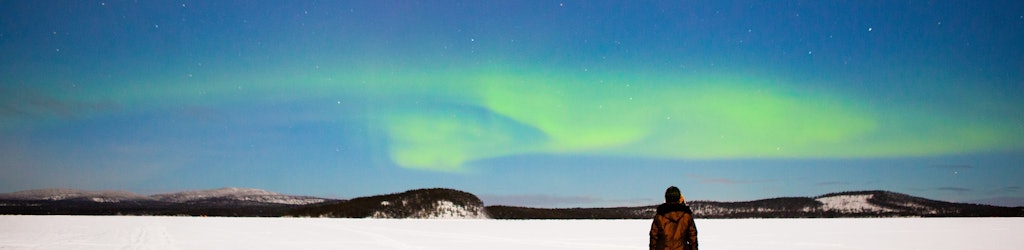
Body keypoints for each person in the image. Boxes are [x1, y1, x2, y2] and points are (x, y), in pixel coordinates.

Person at [649, 186, 697, 250]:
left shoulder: (659, 216)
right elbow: (693, 239)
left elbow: (653, 239)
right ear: (679, 198)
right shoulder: (687, 216)